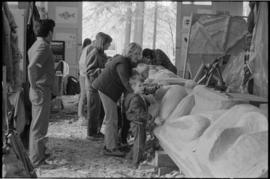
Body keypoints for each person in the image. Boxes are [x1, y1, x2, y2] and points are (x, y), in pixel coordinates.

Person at [92, 42, 142, 156]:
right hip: (106, 89)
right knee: (112, 119)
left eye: (139, 54)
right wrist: (136, 93)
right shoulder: (123, 63)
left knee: (112, 118)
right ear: (130, 53)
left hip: (107, 89)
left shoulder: (125, 61)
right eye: (136, 54)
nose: (138, 57)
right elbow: (126, 82)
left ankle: (110, 144)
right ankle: (110, 148)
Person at [27, 19, 56, 167]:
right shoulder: (43, 46)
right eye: (53, 31)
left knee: (38, 126)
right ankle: (37, 160)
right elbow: (32, 68)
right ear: (49, 32)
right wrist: (34, 86)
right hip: (41, 90)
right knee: (39, 127)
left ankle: (39, 156)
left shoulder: (36, 44)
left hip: (40, 90)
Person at [85, 32, 112, 140]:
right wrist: (104, 69)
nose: (109, 46)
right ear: (103, 43)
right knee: (94, 111)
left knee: (100, 111)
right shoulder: (94, 53)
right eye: (108, 44)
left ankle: (97, 131)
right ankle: (91, 133)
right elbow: (90, 71)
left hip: (100, 86)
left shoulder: (101, 53)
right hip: (94, 87)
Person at [78, 38, 92, 125]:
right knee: (84, 96)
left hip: (83, 75)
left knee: (83, 96)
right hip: (84, 76)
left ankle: (82, 115)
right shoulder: (87, 50)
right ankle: (81, 116)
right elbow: (83, 65)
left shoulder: (84, 50)